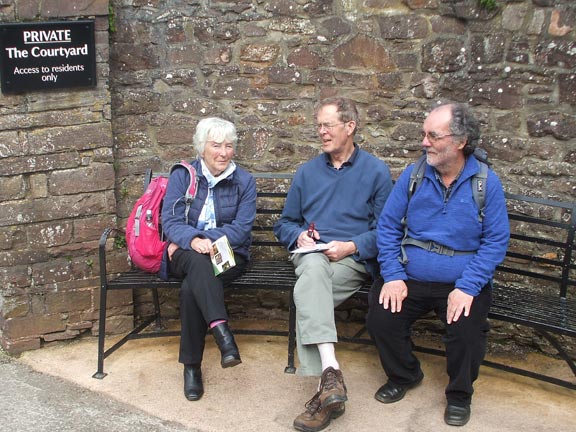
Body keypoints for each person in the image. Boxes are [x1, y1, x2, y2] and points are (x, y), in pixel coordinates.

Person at [366, 103, 510, 426]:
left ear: (460, 141)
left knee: (467, 329)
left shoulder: (486, 183)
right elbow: (387, 227)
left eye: (433, 135)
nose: (424, 142)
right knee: (381, 317)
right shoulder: (414, 174)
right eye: (423, 134)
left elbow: (495, 242)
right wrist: (392, 275)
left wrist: (468, 286)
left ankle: (459, 395)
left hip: (462, 280)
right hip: (410, 275)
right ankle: (405, 375)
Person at [274, 96, 393, 431]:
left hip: (350, 262)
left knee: (308, 292)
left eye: (328, 125)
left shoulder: (376, 172)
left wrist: (351, 245)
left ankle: (323, 389)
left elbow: (386, 231)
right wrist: (299, 237)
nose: (321, 132)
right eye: (319, 126)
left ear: (350, 127)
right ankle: (330, 374)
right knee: (311, 269)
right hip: (311, 257)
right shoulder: (307, 173)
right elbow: (284, 223)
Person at [159, 117, 257, 401]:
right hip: (185, 253)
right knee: (198, 264)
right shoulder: (183, 175)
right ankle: (223, 334)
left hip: (227, 254)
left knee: (194, 284)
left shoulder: (244, 181)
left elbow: (240, 230)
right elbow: (171, 219)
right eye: (216, 145)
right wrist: (191, 240)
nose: (224, 152)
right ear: (202, 148)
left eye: (229, 146)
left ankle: (192, 367)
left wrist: (204, 240)